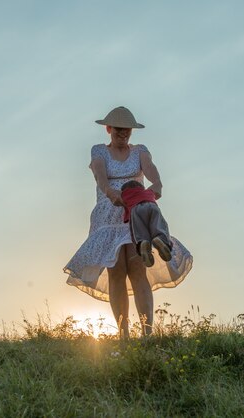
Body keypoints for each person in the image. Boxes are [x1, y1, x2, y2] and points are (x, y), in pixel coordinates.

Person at [64, 106, 193, 338]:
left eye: (127, 132)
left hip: (134, 212)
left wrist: (154, 189)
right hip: (108, 214)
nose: (123, 135)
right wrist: (112, 194)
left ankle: (147, 333)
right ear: (109, 129)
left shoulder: (140, 151)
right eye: (119, 131)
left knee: (137, 269)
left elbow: (153, 175)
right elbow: (101, 179)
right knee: (116, 272)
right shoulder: (99, 152)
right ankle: (123, 333)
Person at [120, 180, 173, 268]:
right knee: (159, 225)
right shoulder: (149, 192)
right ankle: (161, 241)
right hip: (152, 206)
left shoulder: (125, 195)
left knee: (139, 231)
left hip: (136, 209)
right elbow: (156, 193)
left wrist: (126, 219)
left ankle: (143, 243)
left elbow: (125, 211)